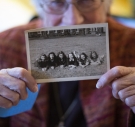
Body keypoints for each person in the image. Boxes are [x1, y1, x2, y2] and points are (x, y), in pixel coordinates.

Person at [0, 0, 135, 127]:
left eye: (86, 0)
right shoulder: (4, 46)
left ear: (106, 4)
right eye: (57, 2)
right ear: (39, 6)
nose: (73, 20)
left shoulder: (131, 45)